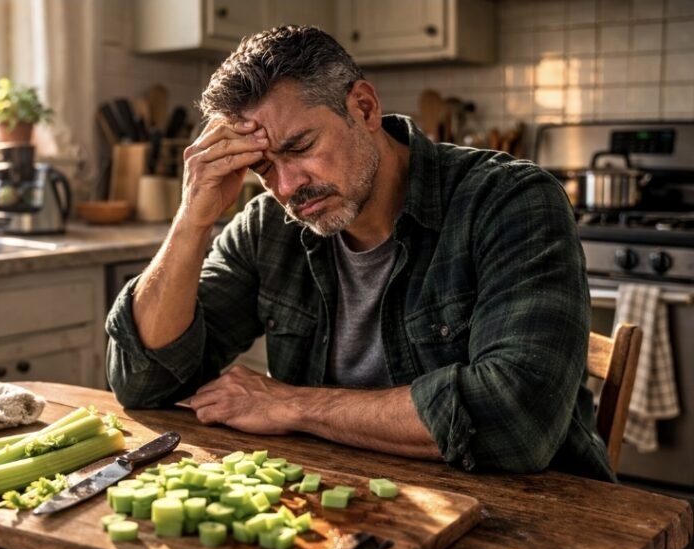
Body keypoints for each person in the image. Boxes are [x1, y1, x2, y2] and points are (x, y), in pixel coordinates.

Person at [105, 25, 613, 480]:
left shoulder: (510, 200)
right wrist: (193, 217)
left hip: (540, 518)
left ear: (364, 108)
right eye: (263, 168)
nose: (287, 187)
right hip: (353, 505)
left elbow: (516, 420)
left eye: (300, 147)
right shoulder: (268, 226)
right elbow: (143, 380)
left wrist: (294, 406)